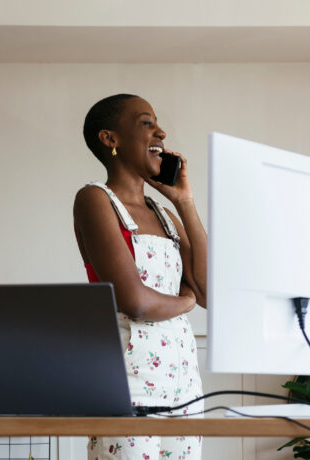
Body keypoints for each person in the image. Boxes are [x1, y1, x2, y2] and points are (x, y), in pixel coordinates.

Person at [73, 94, 207, 460]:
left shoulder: (165, 214)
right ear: (109, 139)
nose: (161, 131)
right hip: (128, 381)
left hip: (185, 384)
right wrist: (186, 301)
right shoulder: (94, 199)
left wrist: (186, 204)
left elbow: (210, 292)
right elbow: (135, 300)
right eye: (147, 123)